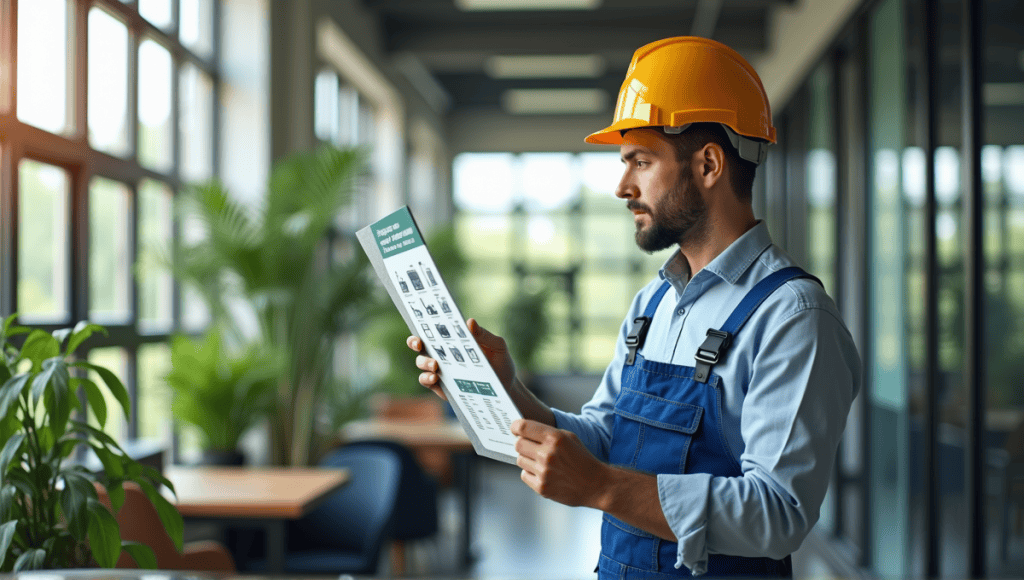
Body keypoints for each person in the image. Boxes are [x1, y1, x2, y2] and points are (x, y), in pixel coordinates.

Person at [407, 36, 861, 579]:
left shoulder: (792, 318)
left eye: (640, 161)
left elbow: (777, 513)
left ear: (709, 164)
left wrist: (601, 487)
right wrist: (503, 388)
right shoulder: (654, 303)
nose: (622, 186)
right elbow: (604, 437)